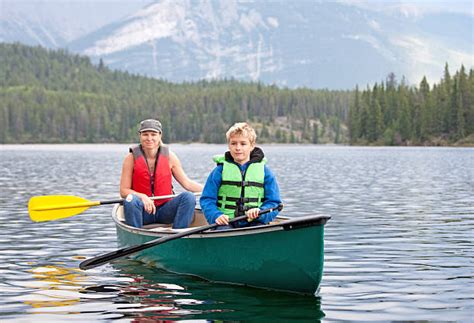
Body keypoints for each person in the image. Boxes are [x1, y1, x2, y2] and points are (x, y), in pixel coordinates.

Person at [120, 119, 203, 229]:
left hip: (165, 211)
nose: (149, 138)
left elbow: (187, 184)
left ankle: (178, 236)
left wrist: (211, 189)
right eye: (145, 134)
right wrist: (143, 197)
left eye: (153, 134)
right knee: (130, 199)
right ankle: (137, 236)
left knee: (189, 197)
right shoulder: (130, 158)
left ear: (160, 135)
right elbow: (124, 191)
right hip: (143, 211)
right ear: (140, 136)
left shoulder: (170, 157)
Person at [200, 122, 282, 229]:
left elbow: (274, 203)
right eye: (233, 143)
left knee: (257, 231)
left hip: (255, 221)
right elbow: (207, 200)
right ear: (229, 145)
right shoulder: (219, 171)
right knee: (224, 232)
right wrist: (216, 215)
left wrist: (260, 212)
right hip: (226, 222)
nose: (238, 148)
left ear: (252, 146)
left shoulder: (265, 172)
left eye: (243, 144)